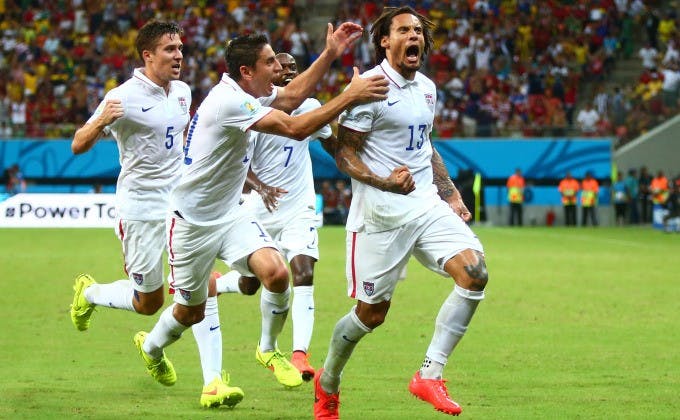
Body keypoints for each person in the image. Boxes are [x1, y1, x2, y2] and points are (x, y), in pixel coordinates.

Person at [132, 26, 387, 403]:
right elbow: (296, 127)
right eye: (269, 62)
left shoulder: (246, 93)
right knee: (189, 312)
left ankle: (267, 349)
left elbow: (295, 95)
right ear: (247, 72)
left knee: (278, 273)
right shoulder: (228, 102)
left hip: (232, 213)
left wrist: (330, 52)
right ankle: (152, 347)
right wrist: (349, 96)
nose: (277, 68)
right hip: (191, 224)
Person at [313, 7, 488, 418]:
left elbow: (424, 146)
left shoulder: (426, 87)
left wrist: (450, 193)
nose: (414, 37)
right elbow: (345, 155)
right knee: (371, 315)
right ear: (385, 42)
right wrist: (385, 182)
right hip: (379, 217)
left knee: (475, 273)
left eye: (418, 31)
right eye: (404, 31)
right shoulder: (370, 88)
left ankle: (429, 374)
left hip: (425, 204)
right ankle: (329, 381)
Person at [68, 20, 242, 409]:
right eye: (169, 49)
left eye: (180, 48)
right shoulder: (122, 97)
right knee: (148, 301)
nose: (178, 55)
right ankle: (91, 293)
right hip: (140, 210)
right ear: (147, 55)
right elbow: (78, 144)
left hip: (181, 204)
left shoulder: (182, 92)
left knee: (202, 285)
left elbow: (182, 140)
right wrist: (100, 121)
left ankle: (213, 380)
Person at [215, 53, 335, 381]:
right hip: (259, 208)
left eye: (296, 70)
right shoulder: (254, 110)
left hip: (299, 208)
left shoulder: (311, 108)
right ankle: (220, 284)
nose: (289, 74)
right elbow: (238, 162)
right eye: (282, 68)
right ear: (272, 73)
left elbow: (333, 145)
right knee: (253, 282)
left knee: (303, 270)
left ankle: (299, 354)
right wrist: (259, 185)